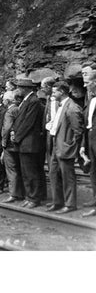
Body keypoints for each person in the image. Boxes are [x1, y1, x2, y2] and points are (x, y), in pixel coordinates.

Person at [47, 81, 84, 214]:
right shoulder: (60, 105)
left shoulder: (72, 108)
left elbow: (78, 131)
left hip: (64, 147)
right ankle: (57, 202)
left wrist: (70, 146)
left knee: (67, 177)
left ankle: (70, 204)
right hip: (56, 145)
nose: (52, 94)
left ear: (62, 92)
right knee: (54, 174)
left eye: (54, 91)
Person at [10, 77, 45, 208]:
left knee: (31, 172)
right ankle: (30, 196)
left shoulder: (33, 101)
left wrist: (17, 137)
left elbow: (28, 123)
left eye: (19, 88)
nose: (17, 90)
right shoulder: (27, 101)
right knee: (26, 172)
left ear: (25, 89)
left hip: (29, 143)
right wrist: (14, 132)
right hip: (25, 142)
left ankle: (34, 198)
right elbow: (20, 121)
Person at [1, 91, 25, 203]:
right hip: (18, 143)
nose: (2, 101)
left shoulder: (9, 111)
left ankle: (13, 194)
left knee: (11, 169)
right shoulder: (18, 108)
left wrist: (3, 143)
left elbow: (6, 128)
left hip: (10, 145)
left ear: (7, 100)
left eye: (3, 99)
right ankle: (21, 193)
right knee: (19, 168)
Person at [81, 79, 96, 217]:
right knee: (93, 172)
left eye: (88, 83)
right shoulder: (91, 100)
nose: (86, 87)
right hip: (91, 139)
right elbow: (87, 124)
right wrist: (83, 145)